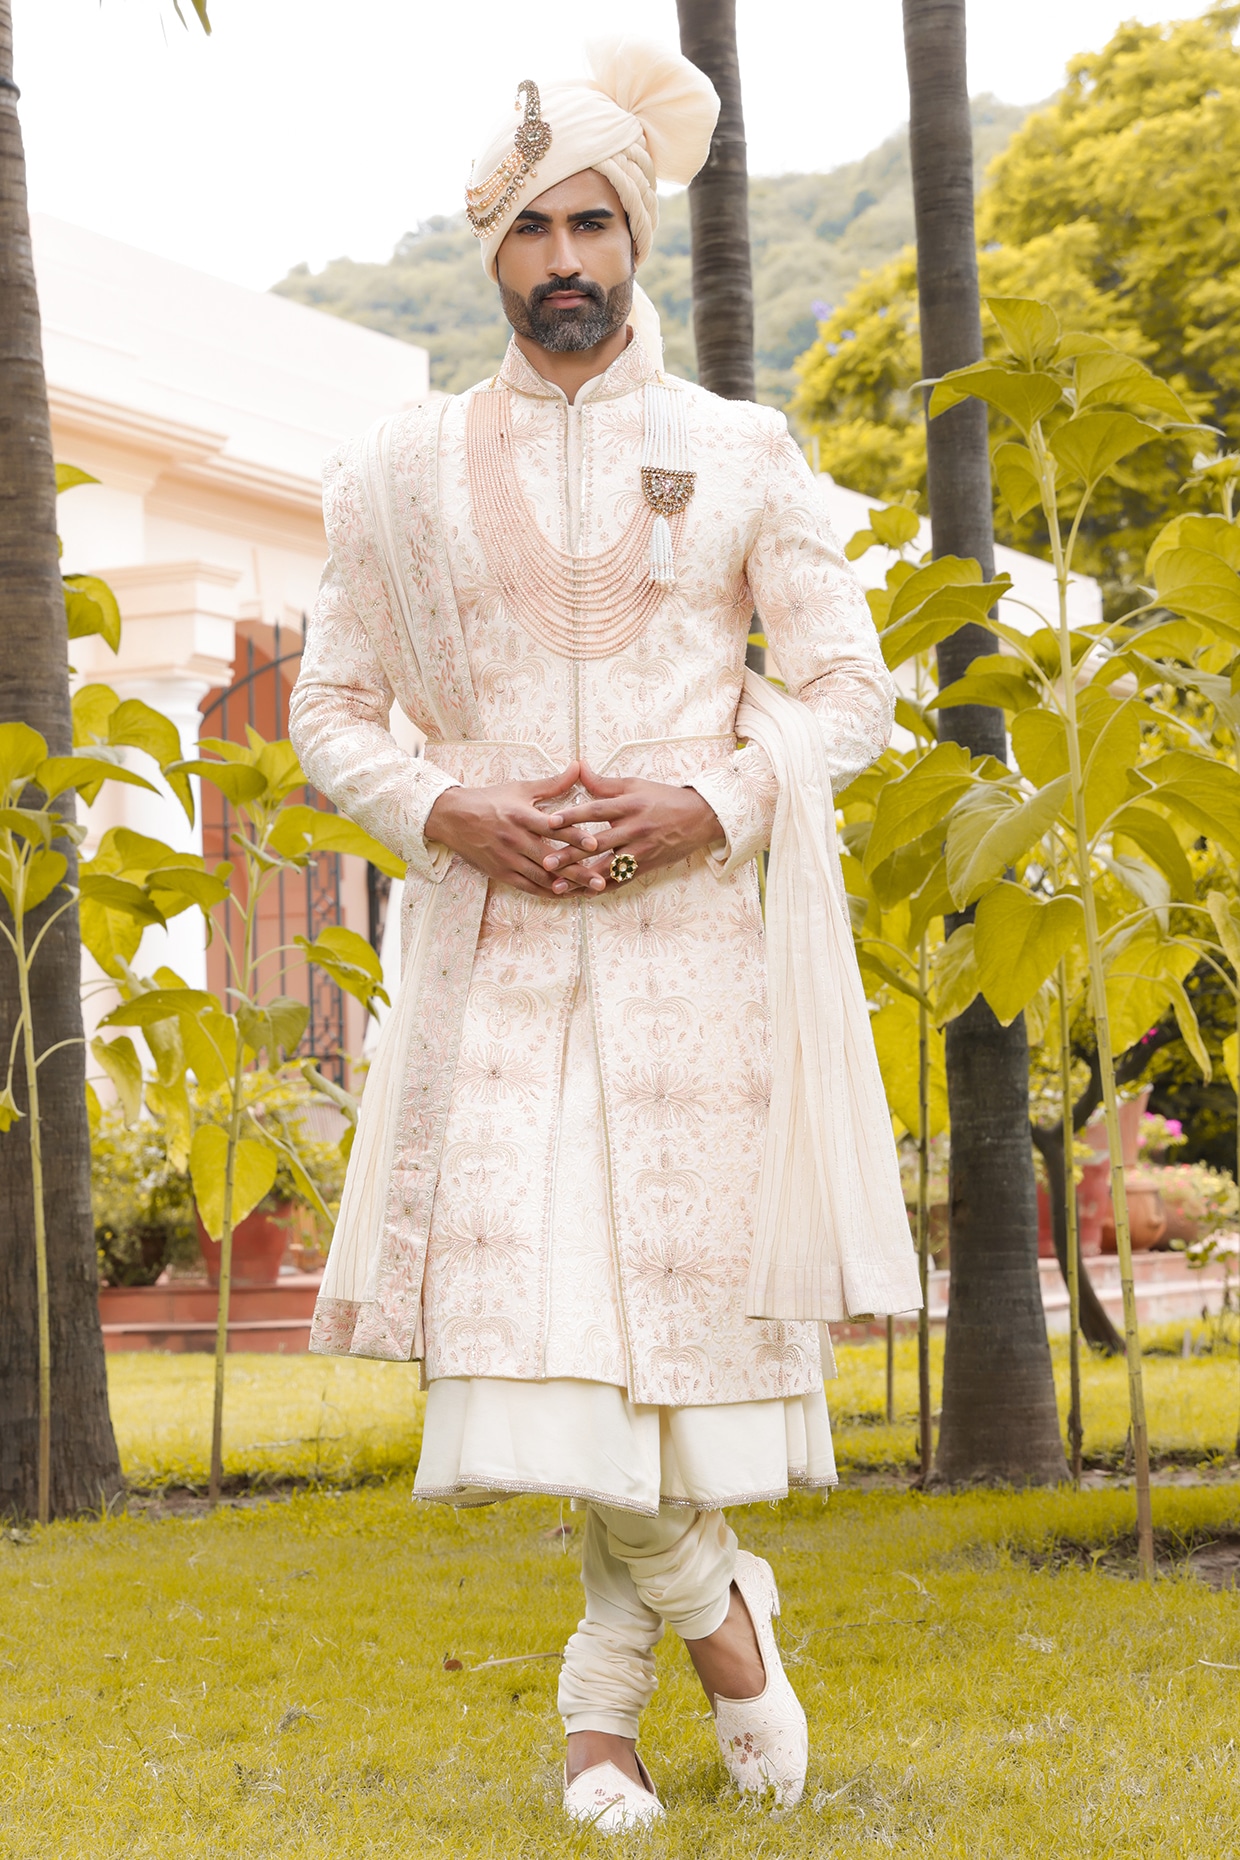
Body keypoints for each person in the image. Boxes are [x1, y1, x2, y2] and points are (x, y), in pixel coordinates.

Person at [289, 37, 919, 1831]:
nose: (564, 260)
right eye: (530, 230)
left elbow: (853, 689)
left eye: (593, 224)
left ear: (633, 239)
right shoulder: (395, 471)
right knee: (547, 1328)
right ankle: (724, 1624)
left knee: (646, 1341)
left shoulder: (743, 451)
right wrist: (444, 807)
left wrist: (710, 799)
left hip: (693, 970)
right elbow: (332, 708)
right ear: (487, 251)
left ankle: (591, 1725)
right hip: (493, 965)